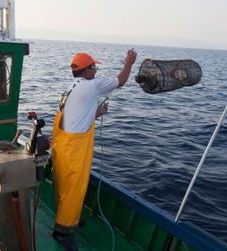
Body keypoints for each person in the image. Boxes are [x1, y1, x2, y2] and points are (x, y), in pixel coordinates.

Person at [51, 49, 137, 250]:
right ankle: (61, 230)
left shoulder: (71, 88)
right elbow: (121, 80)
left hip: (62, 145)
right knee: (74, 188)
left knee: (64, 185)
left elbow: (76, 117)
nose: (96, 71)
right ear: (86, 70)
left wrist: (97, 112)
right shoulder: (92, 86)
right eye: (94, 67)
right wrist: (129, 63)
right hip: (74, 149)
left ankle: (69, 218)